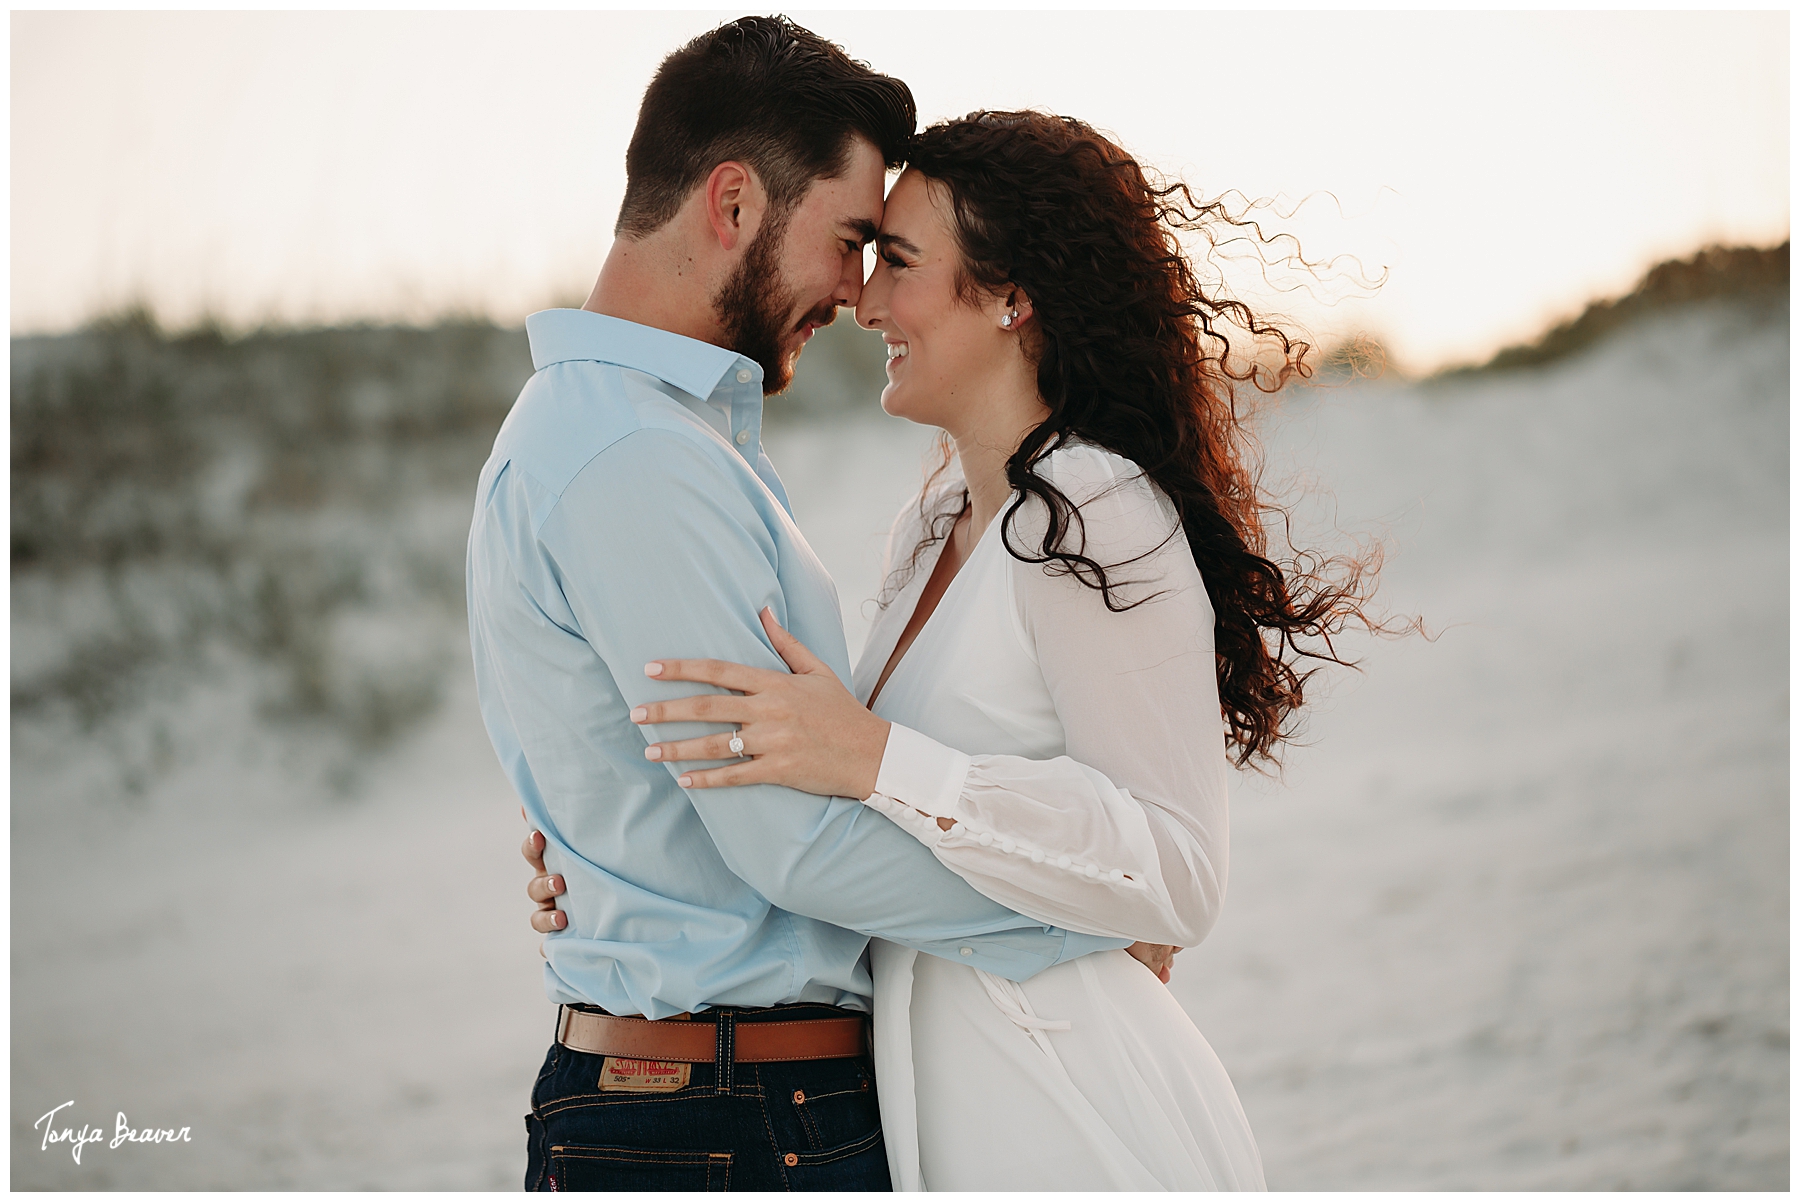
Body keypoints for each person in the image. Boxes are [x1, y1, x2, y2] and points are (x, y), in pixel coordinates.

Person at [528, 111, 1381, 1189]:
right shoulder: (935, 522)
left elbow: (1177, 869)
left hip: (1075, 1113)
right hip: (949, 1120)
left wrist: (883, 757)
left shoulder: (1094, 508)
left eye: (902, 263)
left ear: (1012, 294)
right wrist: (626, 850)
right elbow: (865, 806)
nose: (866, 300)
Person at [467, 19, 1153, 1192]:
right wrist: (1083, 925)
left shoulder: (634, 434)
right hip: (728, 1118)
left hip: (716, 1099)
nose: (856, 288)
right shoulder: (631, 453)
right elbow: (795, 841)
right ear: (732, 203)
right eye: (848, 241)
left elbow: (684, 801)